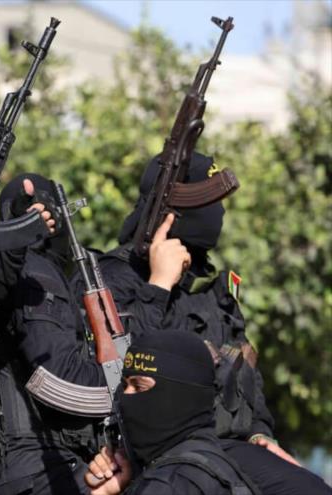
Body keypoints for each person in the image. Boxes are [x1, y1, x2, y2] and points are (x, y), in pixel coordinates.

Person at [100, 153, 331, 494]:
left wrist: (260, 433)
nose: (218, 213)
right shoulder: (118, 277)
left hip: (230, 449)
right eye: (208, 201)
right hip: (168, 457)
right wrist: (158, 285)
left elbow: (244, 373)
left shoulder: (214, 287)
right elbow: (122, 370)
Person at [0, 173, 111, 494]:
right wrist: (127, 383)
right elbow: (59, 376)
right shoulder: (35, 272)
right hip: (29, 458)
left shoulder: (13, 268)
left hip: (15, 458)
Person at [85, 330, 260, 495]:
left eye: (139, 386)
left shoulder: (170, 483)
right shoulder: (216, 466)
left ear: (178, 396)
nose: (126, 397)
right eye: (125, 386)